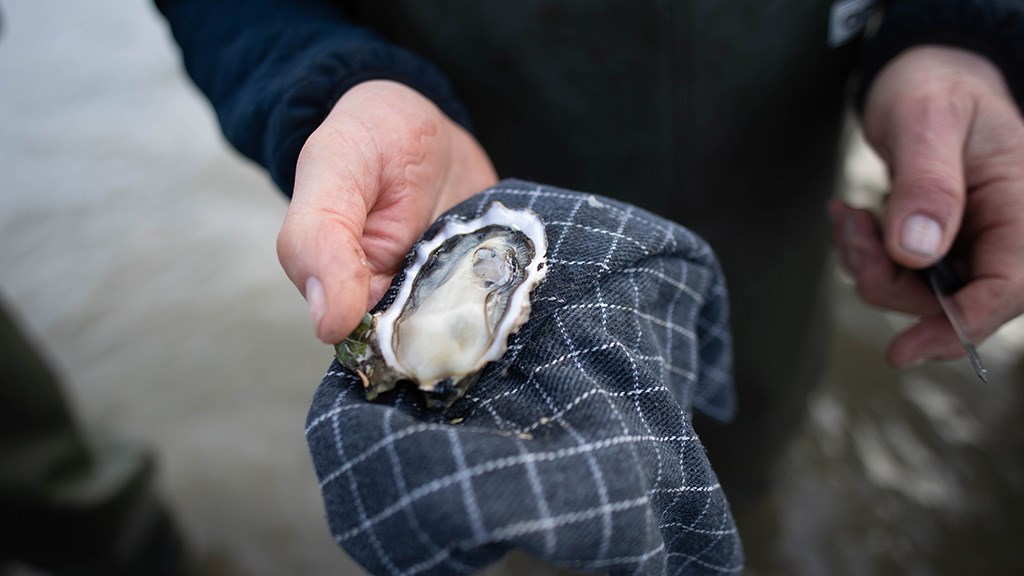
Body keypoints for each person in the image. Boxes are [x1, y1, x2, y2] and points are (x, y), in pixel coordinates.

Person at [154, 0, 1024, 567]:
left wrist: (953, 39)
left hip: (766, 272)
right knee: (519, 536)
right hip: (454, 203)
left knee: (738, 485)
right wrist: (333, 78)